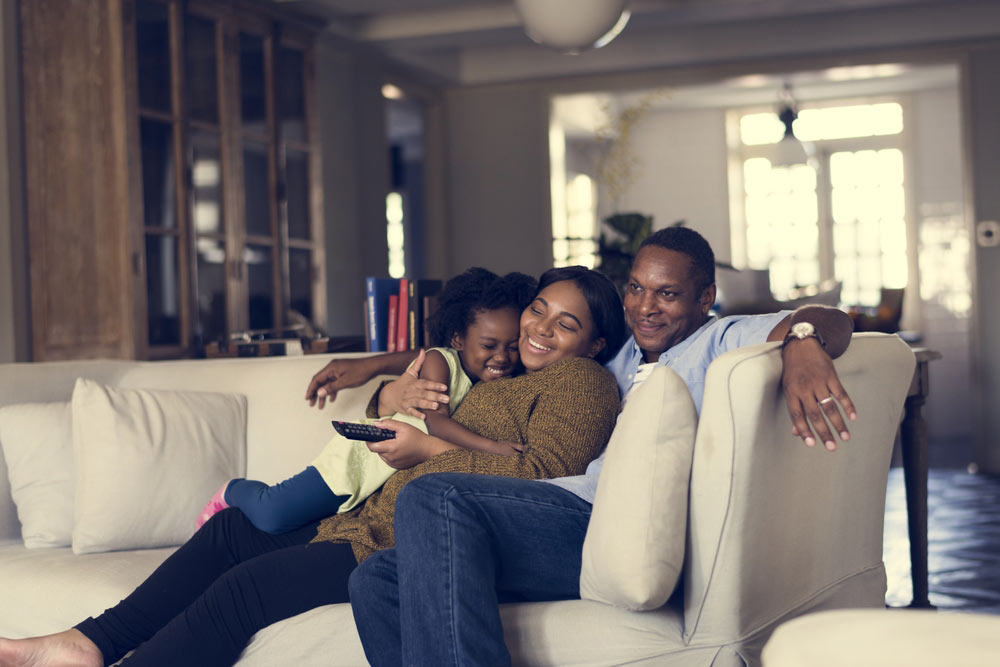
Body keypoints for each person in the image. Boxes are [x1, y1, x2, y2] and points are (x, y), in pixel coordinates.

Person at [0, 266, 627, 667]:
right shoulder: (506, 370)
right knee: (231, 532)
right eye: (537, 309)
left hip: (407, 539)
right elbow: (444, 359)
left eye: (565, 323)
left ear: (596, 344)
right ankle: (85, 643)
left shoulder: (582, 383)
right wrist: (383, 384)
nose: (539, 328)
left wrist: (427, 448)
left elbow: (541, 482)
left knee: (247, 589)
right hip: (369, 517)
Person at [344, 226, 858, 666]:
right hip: (560, 510)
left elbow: (832, 317)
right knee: (376, 579)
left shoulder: (720, 340)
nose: (645, 307)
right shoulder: (616, 354)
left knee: (435, 496)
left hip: (608, 522)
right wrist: (379, 373)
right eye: (636, 289)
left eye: (667, 294)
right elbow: (494, 346)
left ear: (705, 298)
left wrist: (805, 342)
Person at [195, 268, 537, 534]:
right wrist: (491, 447)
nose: (502, 357)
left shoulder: (489, 379)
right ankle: (232, 491)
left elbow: (408, 356)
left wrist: (368, 366)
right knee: (273, 514)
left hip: (378, 480)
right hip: (353, 462)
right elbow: (437, 422)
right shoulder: (440, 362)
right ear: (459, 339)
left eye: (512, 346)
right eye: (489, 346)